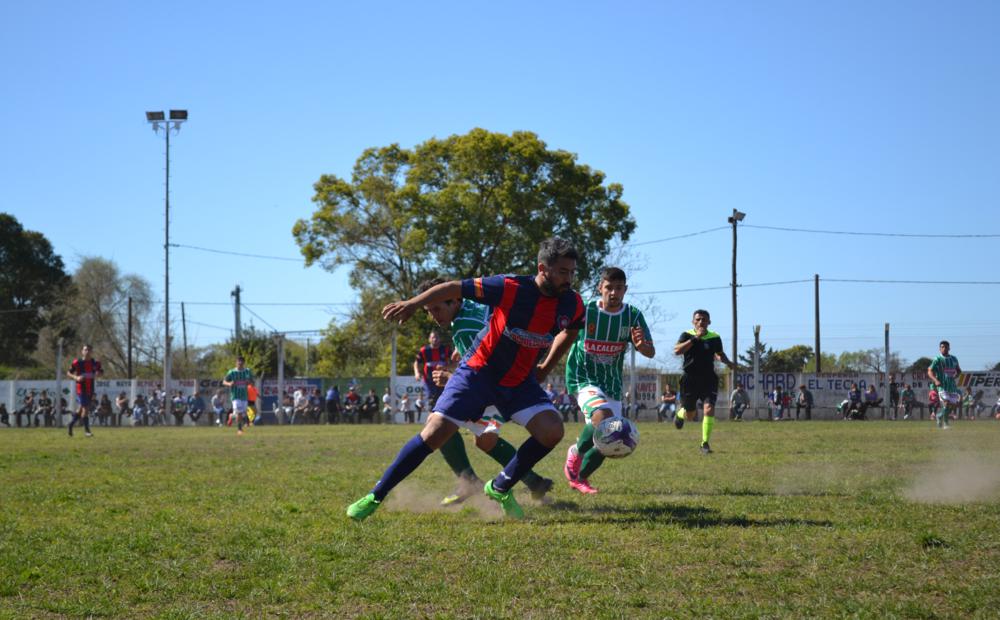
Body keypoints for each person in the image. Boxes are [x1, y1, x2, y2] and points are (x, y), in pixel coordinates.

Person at [347, 237, 584, 520]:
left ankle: (500, 487)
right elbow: (453, 287)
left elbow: (571, 331)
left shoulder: (572, 303)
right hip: (478, 375)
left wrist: (544, 367)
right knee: (436, 432)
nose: (569, 278)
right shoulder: (510, 287)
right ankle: (376, 495)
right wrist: (412, 303)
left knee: (552, 431)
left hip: (519, 382)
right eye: (563, 272)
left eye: (572, 272)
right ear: (542, 268)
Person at [412, 276, 555, 505]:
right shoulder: (473, 306)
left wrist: (451, 378)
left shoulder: (464, 327)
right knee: (485, 440)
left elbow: (485, 369)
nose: (434, 316)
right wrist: (464, 349)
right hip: (510, 381)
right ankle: (534, 482)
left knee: (438, 423)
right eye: (429, 311)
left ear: (454, 301)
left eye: (437, 308)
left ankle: (469, 482)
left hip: (499, 388)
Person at [562, 266, 655, 494]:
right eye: (609, 287)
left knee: (614, 436)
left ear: (625, 290)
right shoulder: (585, 310)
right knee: (604, 419)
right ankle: (576, 452)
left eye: (619, 288)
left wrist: (641, 346)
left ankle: (580, 478)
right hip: (582, 377)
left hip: (611, 383)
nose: (613, 292)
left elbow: (650, 351)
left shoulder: (632, 315)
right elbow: (562, 333)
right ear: (600, 288)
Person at [673, 310, 737, 454]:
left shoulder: (715, 337)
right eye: (698, 319)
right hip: (690, 379)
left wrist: (728, 362)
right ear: (693, 322)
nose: (701, 322)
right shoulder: (686, 335)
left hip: (708, 379)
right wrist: (696, 338)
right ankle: (680, 414)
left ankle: (705, 444)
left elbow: (719, 353)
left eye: (704, 319)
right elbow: (677, 351)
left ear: (709, 322)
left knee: (709, 408)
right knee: (691, 415)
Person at [67, 344, 102, 437]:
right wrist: (76, 377)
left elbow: (100, 371)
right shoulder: (77, 362)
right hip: (81, 389)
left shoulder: (95, 363)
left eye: (89, 350)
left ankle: (71, 424)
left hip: (90, 389)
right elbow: (69, 373)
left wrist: (98, 373)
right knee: (86, 409)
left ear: (91, 352)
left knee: (81, 409)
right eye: (85, 350)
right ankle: (87, 431)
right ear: (82, 351)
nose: (87, 352)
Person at [928, 340, 961, 430]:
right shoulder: (937, 359)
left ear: (949, 348)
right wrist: (935, 380)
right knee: (946, 403)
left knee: (953, 405)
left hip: (952, 386)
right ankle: (946, 424)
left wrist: (955, 376)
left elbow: (959, 370)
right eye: (942, 347)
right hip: (942, 386)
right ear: (940, 349)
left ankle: (939, 416)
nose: (944, 348)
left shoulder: (954, 359)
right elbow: (929, 371)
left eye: (946, 347)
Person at [222, 355, 253, 435]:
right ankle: (239, 429)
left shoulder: (247, 371)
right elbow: (224, 381)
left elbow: (252, 381)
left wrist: (249, 382)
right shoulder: (232, 372)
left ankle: (231, 416)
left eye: (241, 363)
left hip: (244, 396)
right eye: (238, 363)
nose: (240, 364)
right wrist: (229, 384)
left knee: (242, 413)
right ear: (236, 363)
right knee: (239, 412)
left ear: (244, 363)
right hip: (235, 396)